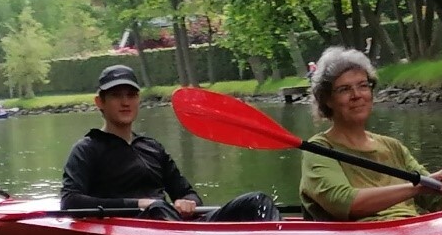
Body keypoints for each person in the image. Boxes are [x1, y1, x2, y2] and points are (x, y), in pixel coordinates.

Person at [62, 64, 281, 222]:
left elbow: (188, 193)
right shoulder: (87, 149)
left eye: (131, 95)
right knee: (157, 207)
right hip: (134, 228)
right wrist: (139, 204)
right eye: (116, 95)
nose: (125, 102)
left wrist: (188, 202)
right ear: (100, 102)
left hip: (171, 224)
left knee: (257, 201)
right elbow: (70, 202)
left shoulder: (152, 147)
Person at [299, 47, 442, 222]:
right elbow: (345, 203)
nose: (357, 95)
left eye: (363, 85)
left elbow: (436, 200)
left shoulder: (392, 147)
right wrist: (418, 186)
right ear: (327, 100)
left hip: (409, 231)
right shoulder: (319, 149)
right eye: (344, 89)